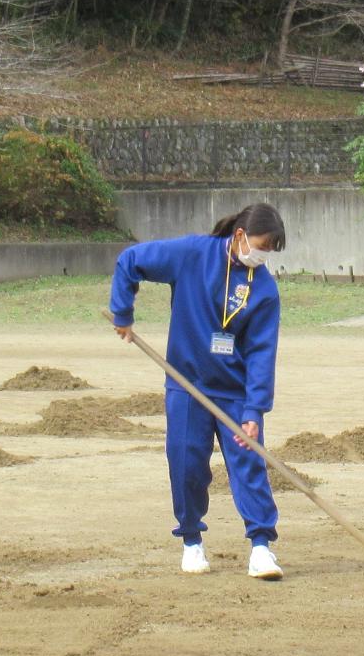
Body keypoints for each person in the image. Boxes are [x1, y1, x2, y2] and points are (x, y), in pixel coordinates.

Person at [110, 205, 285, 579]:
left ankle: (260, 547)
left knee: (249, 467)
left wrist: (254, 410)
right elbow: (130, 260)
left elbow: (261, 354)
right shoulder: (192, 254)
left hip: (236, 393)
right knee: (186, 464)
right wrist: (122, 314)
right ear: (240, 236)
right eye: (262, 245)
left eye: (271, 250)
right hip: (187, 385)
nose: (264, 255)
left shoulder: (264, 289)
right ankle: (191, 541)